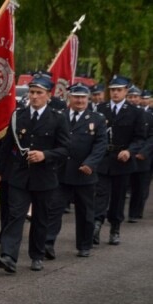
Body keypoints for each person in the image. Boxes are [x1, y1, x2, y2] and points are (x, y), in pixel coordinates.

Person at [0, 74, 70, 273]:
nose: (34, 96)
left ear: (48, 96)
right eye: (32, 92)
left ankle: (37, 255)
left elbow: (66, 149)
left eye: (39, 93)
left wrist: (46, 155)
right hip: (20, 175)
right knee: (15, 215)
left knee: (40, 218)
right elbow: (7, 145)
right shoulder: (18, 115)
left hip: (45, 176)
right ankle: (8, 256)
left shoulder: (58, 118)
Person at [45, 83, 107, 259]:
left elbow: (100, 145)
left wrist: (90, 163)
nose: (79, 100)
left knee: (85, 212)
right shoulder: (59, 116)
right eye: (76, 96)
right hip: (60, 172)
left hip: (84, 173)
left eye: (83, 97)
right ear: (69, 98)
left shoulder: (97, 119)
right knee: (54, 209)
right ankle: (47, 243)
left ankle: (84, 244)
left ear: (88, 99)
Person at [93, 75, 146, 245]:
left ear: (126, 91)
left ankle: (115, 227)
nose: (115, 93)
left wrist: (130, 151)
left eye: (119, 90)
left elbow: (140, 138)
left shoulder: (135, 112)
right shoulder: (101, 109)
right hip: (103, 159)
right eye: (113, 90)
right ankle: (96, 224)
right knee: (100, 194)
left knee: (118, 196)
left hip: (122, 160)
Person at [127, 87, 153, 223]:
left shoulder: (148, 116)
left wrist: (143, 152)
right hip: (124, 155)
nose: (133, 99)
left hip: (141, 156)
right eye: (130, 97)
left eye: (135, 97)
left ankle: (134, 213)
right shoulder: (122, 114)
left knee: (139, 187)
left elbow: (151, 137)